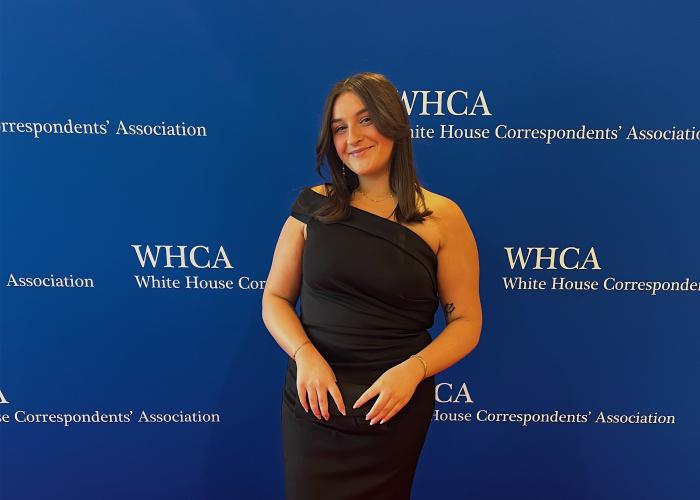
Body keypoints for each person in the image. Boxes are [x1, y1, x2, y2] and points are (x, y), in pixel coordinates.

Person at [262, 72, 482, 500]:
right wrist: (304, 355)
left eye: (365, 120)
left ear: (394, 123)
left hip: (392, 405)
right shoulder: (314, 206)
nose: (353, 137)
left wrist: (413, 371)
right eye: (340, 127)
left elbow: (467, 322)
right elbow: (274, 298)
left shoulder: (442, 217)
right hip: (314, 400)